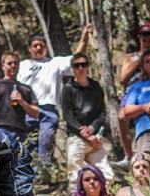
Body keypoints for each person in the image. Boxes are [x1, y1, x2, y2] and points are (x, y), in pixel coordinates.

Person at [17, 27, 93, 170]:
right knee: (30, 142)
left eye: (42, 45)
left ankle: (44, 172)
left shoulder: (54, 63)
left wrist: (84, 38)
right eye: (35, 46)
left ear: (46, 48)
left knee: (45, 140)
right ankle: (33, 177)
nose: (38, 48)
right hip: (27, 108)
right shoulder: (22, 66)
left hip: (48, 108)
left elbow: (76, 59)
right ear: (29, 48)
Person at [62, 52, 113, 189]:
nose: (80, 68)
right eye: (77, 65)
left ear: (88, 67)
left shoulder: (96, 88)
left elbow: (102, 114)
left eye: (83, 65)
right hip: (76, 138)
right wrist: (83, 132)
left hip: (95, 139)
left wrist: (91, 129)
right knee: (75, 177)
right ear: (72, 68)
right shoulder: (68, 89)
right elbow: (67, 115)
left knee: (107, 176)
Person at [114, 23, 150, 168]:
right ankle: (128, 156)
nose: (147, 42)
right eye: (144, 39)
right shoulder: (130, 57)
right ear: (140, 38)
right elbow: (122, 79)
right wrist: (139, 61)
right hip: (132, 91)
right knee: (122, 118)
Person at [0, 51, 39, 143]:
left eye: (16, 63)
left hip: (20, 132)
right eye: (9, 63)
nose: (13, 66)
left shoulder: (26, 89)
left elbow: (36, 113)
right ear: (3, 66)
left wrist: (22, 102)